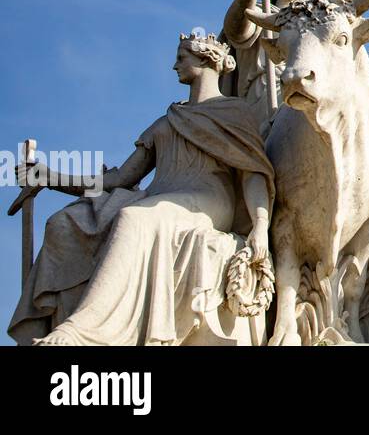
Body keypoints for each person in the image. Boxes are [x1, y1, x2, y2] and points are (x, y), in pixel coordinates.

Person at [10, 32, 274, 346]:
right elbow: (119, 179)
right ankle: (55, 326)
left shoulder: (234, 112)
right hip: (159, 197)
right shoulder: (168, 120)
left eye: (181, 58)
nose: (174, 66)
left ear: (206, 60)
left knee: (135, 219)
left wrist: (260, 225)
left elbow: (253, 173)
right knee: (64, 225)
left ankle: (84, 332)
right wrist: (48, 176)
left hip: (207, 201)